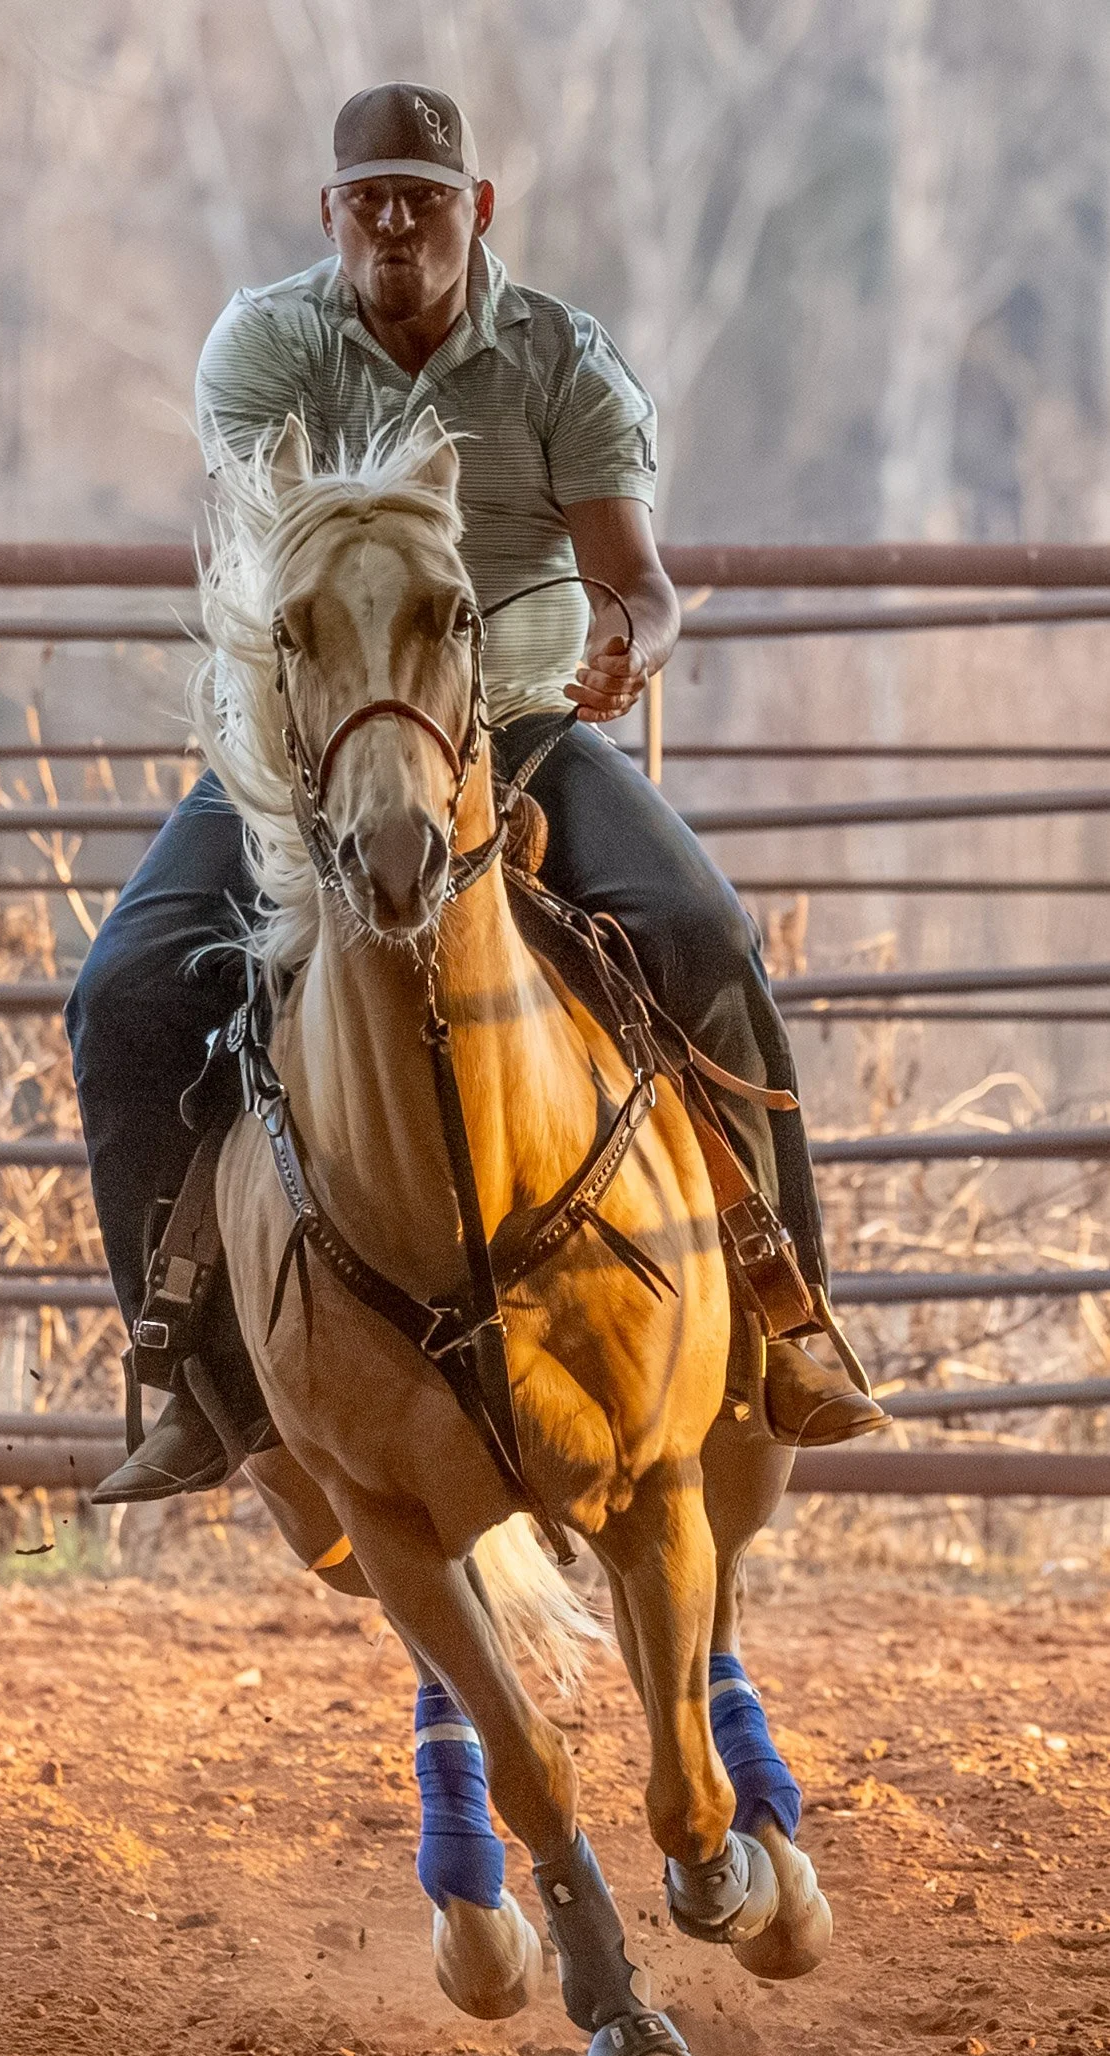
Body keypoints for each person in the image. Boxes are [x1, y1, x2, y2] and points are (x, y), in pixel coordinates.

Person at [67, 81, 885, 1504]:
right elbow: (280, 558)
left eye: (425, 198)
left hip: (518, 724)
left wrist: (634, 642)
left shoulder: (560, 358)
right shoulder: (265, 351)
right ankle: (187, 1367)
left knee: (703, 937)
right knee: (126, 990)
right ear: (329, 214)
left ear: (476, 210)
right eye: (369, 197)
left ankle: (784, 1305)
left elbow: (637, 581)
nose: (396, 222)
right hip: (306, 752)